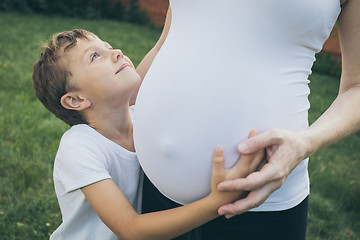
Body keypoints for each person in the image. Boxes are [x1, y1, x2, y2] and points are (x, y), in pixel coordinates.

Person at [133, 0, 360, 239]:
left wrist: (305, 143)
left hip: (258, 207)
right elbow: (166, 42)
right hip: (154, 195)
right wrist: (97, 116)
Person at [32, 29, 264, 240]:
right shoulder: (79, 147)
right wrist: (219, 201)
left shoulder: (143, 117)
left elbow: (162, 46)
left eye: (108, 46)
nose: (117, 53)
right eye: (95, 56)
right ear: (76, 99)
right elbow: (130, 228)